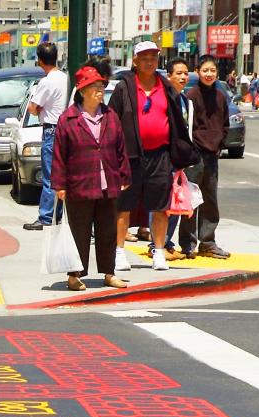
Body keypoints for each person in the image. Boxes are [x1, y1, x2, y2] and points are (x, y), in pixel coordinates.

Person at [108, 40, 198, 272]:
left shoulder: (166, 87)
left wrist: (179, 154)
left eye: (154, 57)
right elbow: (112, 122)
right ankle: (118, 253)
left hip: (160, 156)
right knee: (123, 206)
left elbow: (178, 120)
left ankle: (159, 252)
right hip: (130, 156)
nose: (149, 61)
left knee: (160, 207)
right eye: (144, 57)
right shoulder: (124, 87)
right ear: (135, 61)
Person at [52, 62, 130, 292]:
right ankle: (75, 275)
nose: (100, 90)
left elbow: (120, 148)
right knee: (79, 231)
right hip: (80, 184)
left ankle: (109, 273)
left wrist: (124, 175)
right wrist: (59, 184)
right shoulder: (68, 119)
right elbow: (59, 155)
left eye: (101, 86)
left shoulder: (110, 116)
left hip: (108, 183)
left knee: (107, 230)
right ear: (83, 91)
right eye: (95, 86)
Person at [185, 55, 231, 259]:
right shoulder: (192, 95)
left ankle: (208, 242)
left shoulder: (221, 96)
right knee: (191, 200)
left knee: (210, 199)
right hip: (195, 154)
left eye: (212, 70)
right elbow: (188, 126)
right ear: (198, 71)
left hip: (212, 154)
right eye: (205, 70)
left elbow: (225, 123)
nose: (209, 74)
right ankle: (188, 243)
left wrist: (220, 145)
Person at [22, 41, 68, 231]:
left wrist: (39, 107)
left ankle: (46, 216)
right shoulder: (65, 78)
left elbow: (33, 108)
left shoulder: (46, 81)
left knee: (50, 175)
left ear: (40, 61)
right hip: (67, 128)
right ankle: (60, 214)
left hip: (51, 129)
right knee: (65, 174)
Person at [162, 57, 192, 260]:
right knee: (165, 203)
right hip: (166, 157)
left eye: (185, 73)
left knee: (176, 201)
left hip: (179, 158)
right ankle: (160, 243)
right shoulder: (164, 97)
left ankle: (167, 242)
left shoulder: (184, 99)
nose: (182, 77)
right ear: (168, 76)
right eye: (178, 73)